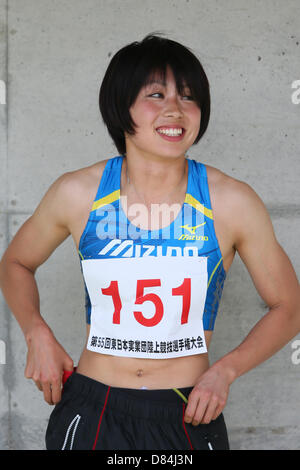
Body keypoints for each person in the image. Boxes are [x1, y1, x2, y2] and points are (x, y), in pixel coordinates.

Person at [0, 33, 299, 451]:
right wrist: (36, 331)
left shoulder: (231, 201)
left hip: (187, 410)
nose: (175, 108)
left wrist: (226, 371)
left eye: (189, 97)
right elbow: (15, 263)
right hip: (93, 406)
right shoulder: (78, 193)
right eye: (156, 94)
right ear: (121, 106)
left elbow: (289, 306)